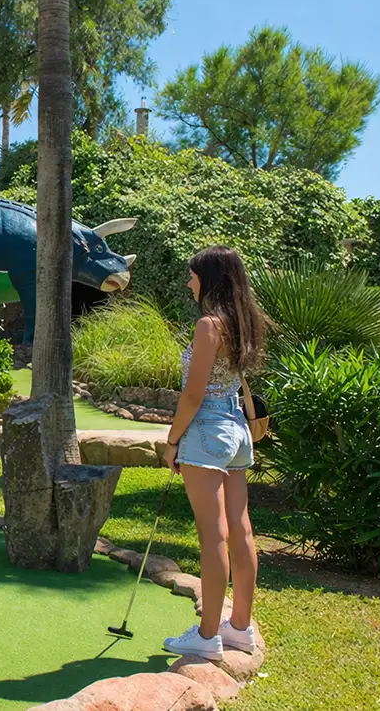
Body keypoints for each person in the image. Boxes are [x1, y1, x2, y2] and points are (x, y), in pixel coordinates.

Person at [162, 246, 269, 661]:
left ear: (208, 278)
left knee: (214, 536)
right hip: (237, 431)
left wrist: (173, 441)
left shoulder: (209, 326)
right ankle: (239, 627)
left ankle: (208, 636)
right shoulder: (243, 322)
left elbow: (192, 394)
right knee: (240, 531)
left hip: (206, 430)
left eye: (192, 275)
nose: (189, 282)